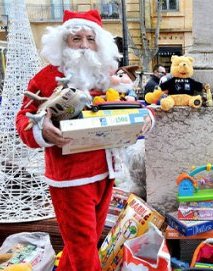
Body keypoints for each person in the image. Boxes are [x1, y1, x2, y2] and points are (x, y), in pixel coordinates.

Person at [15, 10, 122, 271]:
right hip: (70, 177)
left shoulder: (106, 76)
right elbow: (23, 119)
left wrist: (143, 120)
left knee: (84, 242)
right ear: (64, 42)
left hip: (105, 172)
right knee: (84, 246)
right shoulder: (45, 77)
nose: (84, 46)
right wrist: (42, 129)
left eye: (90, 39)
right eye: (77, 39)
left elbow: (130, 108)